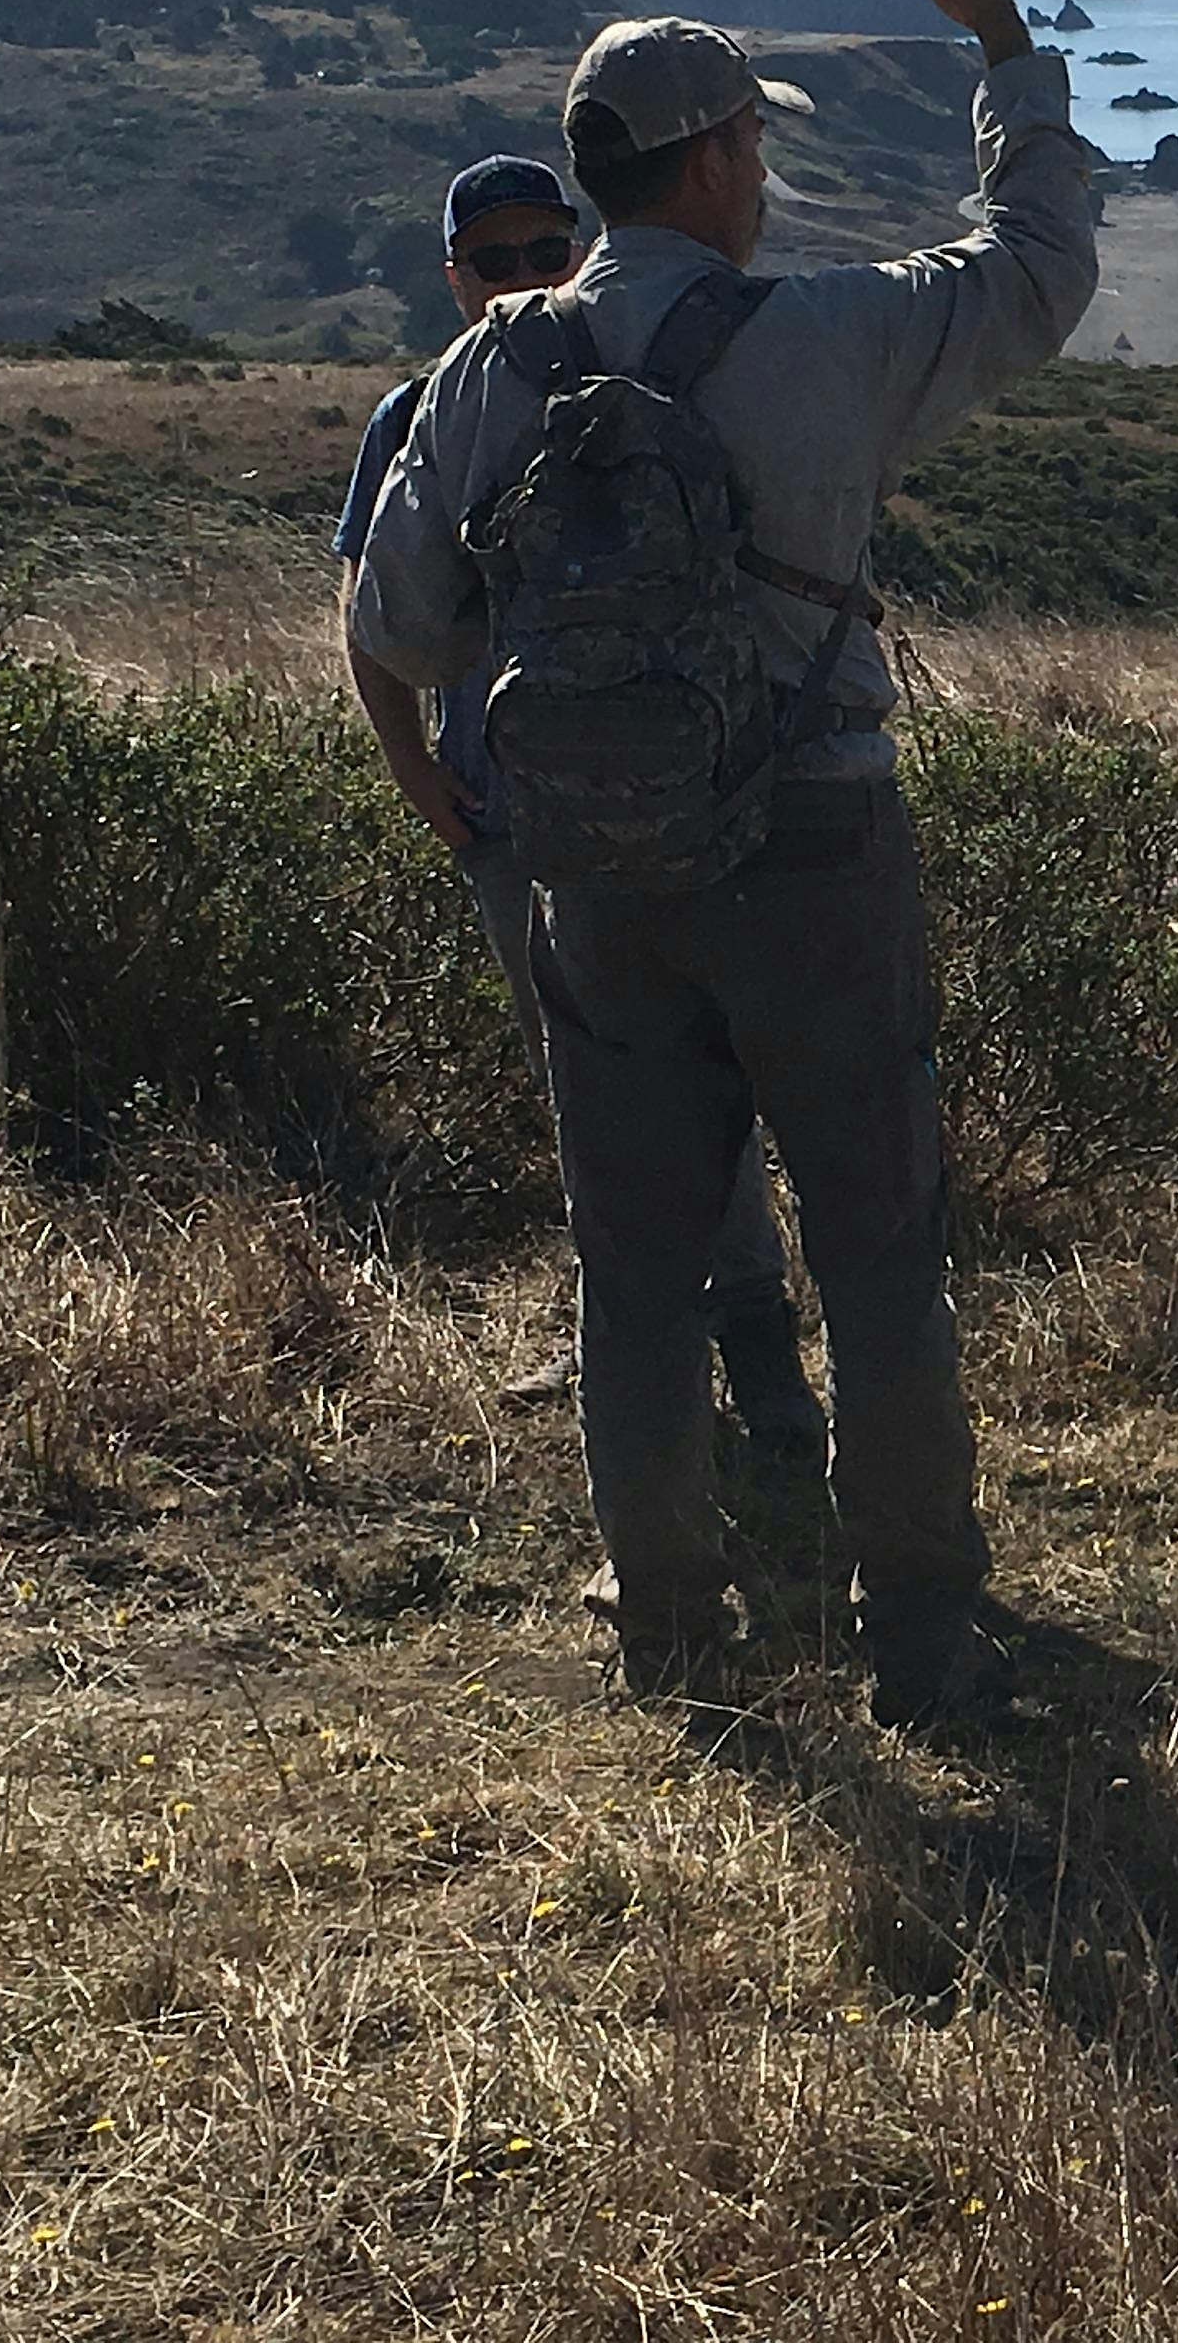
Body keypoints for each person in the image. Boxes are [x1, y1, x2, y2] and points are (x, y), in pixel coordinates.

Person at [349, 0, 1092, 1725]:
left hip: (594, 882)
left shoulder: (492, 360)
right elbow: (1039, 270)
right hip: (815, 846)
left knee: (637, 1264)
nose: (763, 173)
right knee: (878, 1248)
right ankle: (920, 1636)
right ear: (709, 163)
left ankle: (672, 1625)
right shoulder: (828, 335)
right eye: (754, 143)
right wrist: (1003, 48)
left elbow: (406, 627)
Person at [331, 156, 824, 1475]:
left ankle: (755, 1358)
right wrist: (418, 781)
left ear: (585, 245)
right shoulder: (424, 411)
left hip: (683, 806)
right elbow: (371, 620)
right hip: (515, 824)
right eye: (492, 261)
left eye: (547, 247)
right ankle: (664, 1353)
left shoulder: (651, 387)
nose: (522, 277)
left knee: (696, 1091)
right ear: (452, 279)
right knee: (595, 1094)